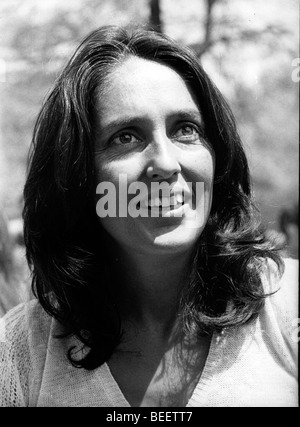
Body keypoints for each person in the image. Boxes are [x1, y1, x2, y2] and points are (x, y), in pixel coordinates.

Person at [0, 25, 298, 407]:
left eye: (185, 129)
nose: (165, 163)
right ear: (77, 177)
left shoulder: (288, 308)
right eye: (126, 136)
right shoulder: (19, 356)